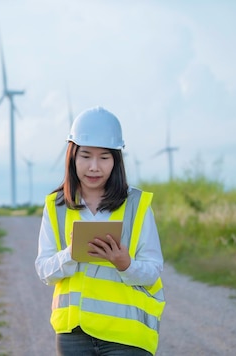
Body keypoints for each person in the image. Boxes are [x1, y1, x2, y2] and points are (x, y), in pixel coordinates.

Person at [35, 106, 165, 355]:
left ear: (116, 160)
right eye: (85, 156)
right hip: (74, 335)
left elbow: (153, 270)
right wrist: (71, 254)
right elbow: (44, 270)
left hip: (126, 335)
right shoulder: (56, 206)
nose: (94, 166)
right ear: (72, 156)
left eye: (104, 158)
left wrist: (125, 264)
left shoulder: (136, 205)